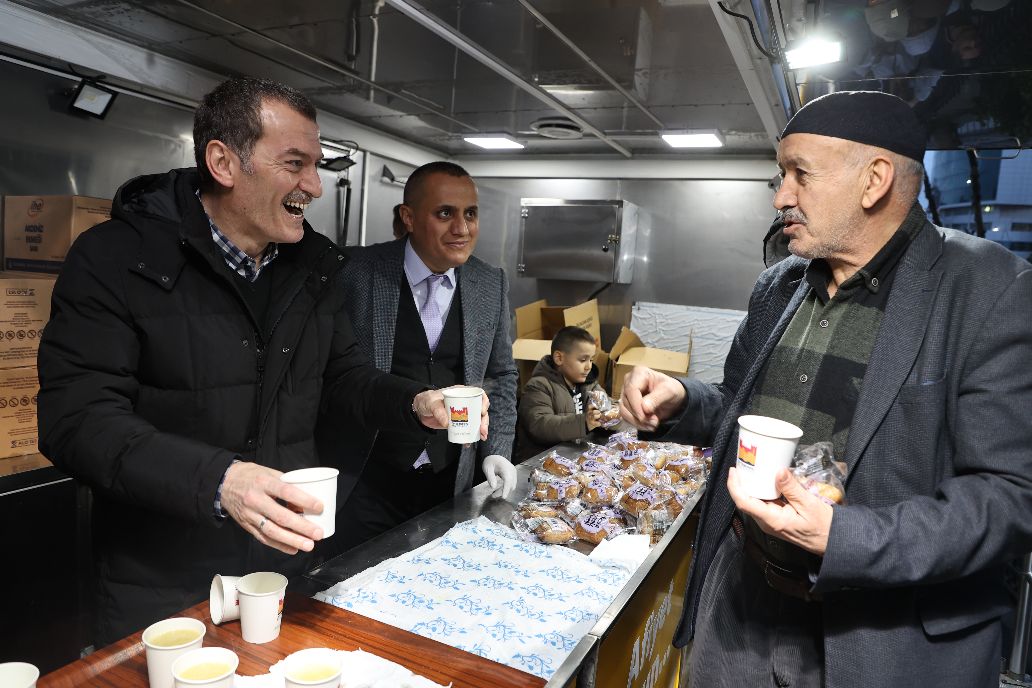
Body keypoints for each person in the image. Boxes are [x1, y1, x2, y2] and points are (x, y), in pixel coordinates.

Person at [35, 77, 477, 645]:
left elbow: (342, 378)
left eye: (316, 166)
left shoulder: (311, 267)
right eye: (295, 164)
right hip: (159, 578)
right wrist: (221, 481)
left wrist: (414, 403)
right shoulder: (116, 259)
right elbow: (77, 420)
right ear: (223, 162)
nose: (314, 186)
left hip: (281, 565)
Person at [620, 91, 1032, 688]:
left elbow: (1011, 497)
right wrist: (683, 400)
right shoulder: (779, 286)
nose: (780, 196)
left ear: (874, 181)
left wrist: (845, 540)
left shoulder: (988, 289)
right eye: (780, 175)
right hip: (742, 609)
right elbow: (738, 409)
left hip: (880, 645)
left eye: (800, 174)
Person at [330, 161, 518, 552]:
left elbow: (501, 375)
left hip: (450, 480)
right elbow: (333, 373)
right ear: (409, 217)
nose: (462, 228)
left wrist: (497, 451)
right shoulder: (356, 273)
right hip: (365, 482)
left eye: (470, 214)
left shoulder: (490, 282)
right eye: (445, 213)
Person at [515, 326, 605, 462]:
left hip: (574, 457)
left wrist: (609, 414)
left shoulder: (589, 383)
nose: (589, 366)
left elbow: (606, 406)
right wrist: (584, 422)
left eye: (591, 360)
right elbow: (540, 426)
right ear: (559, 358)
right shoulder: (539, 386)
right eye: (583, 360)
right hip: (541, 463)